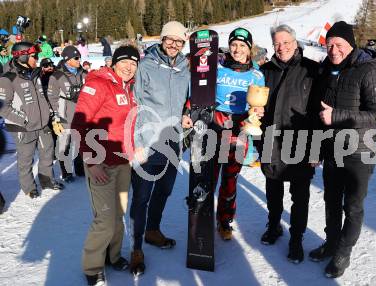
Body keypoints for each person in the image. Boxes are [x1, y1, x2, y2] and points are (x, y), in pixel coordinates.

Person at [309, 21, 376, 278]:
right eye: (329, 45)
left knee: (352, 207)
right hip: (333, 149)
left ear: (350, 44)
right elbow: (321, 113)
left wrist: (337, 117)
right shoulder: (327, 69)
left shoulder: (369, 70)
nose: (333, 50)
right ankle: (331, 243)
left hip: (359, 151)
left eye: (338, 45)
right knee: (331, 201)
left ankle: (343, 252)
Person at [183, 27, 265, 242]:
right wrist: (189, 110)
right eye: (234, 45)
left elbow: (258, 104)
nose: (237, 50)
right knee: (208, 177)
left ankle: (225, 220)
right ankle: (202, 219)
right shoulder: (217, 68)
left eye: (242, 46)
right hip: (214, 125)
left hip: (239, 130)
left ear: (250, 49)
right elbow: (197, 90)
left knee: (230, 180)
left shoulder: (257, 75)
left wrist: (258, 112)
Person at [71, 45, 140, 286]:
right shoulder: (99, 84)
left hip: (123, 163)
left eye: (133, 63)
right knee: (105, 218)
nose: (129, 67)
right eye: (124, 61)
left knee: (118, 215)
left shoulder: (129, 88)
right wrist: (91, 161)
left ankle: (113, 256)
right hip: (101, 164)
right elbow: (79, 124)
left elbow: (127, 126)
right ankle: (92, 267)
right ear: (114, 62)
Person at [129, 21, 190, 276]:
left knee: (164, 191)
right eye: (170, 39)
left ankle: (153, 230)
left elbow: (189, 102)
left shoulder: (187, 70)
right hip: (147, 142)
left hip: (173, 142)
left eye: (179, 41)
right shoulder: (146, 66)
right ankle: (136, 247)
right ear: (162, 39)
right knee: (141, 197)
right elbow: (135, 105)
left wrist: (187, 118)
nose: (174, 45)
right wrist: (138, 144)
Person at [258, 24, 318, 264]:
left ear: (295, 43)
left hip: (301, 141)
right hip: (272, 139)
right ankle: (274, 227)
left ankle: (296, 238)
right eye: (276, 43)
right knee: (273, 189)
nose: (281, 47)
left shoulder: (311, 70)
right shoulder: (265, 71)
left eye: (286, 42)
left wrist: (316, 149)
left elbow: (316, 113)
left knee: (299, 195)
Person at [0, 42, 63, 198]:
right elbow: (3, 107)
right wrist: (24, 119)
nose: (37, 59)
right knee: (26, 159)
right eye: (34, 56)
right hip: (23, 127)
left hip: (42, 123)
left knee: (47, 152)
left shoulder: (35, 74)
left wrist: (52, 115)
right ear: (23, 56)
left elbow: (42, 97)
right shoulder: (8, 79)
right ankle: (29, 188)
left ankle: (47, 180)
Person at [47, 45, 87, 183]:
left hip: (82, 116)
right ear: (67, 59)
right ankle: (66, 172)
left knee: (81, 144)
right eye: (76, 58)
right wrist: (55, 117)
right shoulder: (57, 76)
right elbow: (51, 98)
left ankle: (80, 169)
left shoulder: (83, 73)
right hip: (65, 117)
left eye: (79, 57)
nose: (79, 60)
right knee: (64, 146)